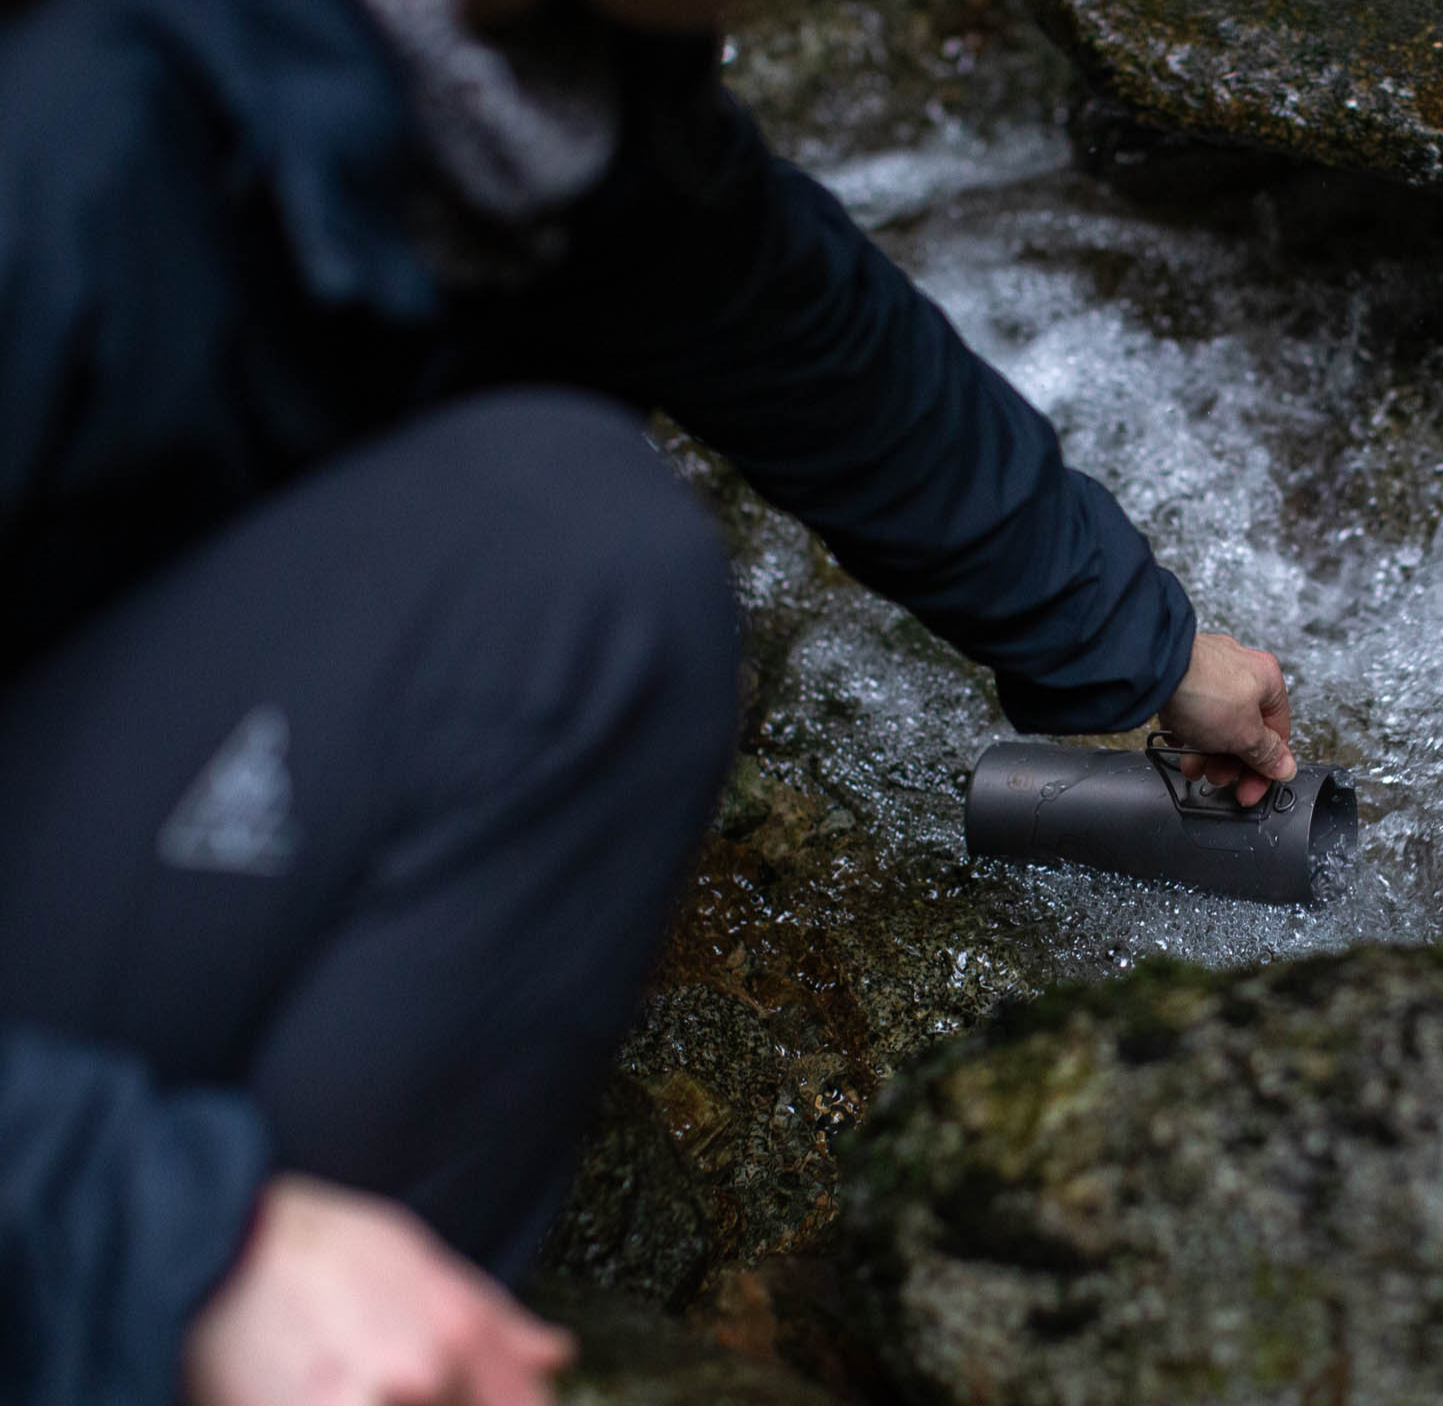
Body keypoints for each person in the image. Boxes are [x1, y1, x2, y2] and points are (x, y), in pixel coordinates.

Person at [0, 0, 1298, 1401]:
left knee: (573, 579)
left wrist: (1144, 645)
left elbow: (787, 320)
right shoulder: (63, 136)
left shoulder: (512, 95)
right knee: (569, 578)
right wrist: (168, 1240)